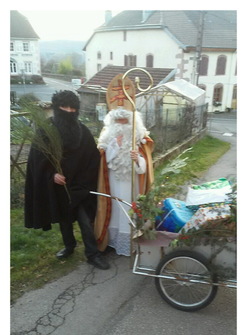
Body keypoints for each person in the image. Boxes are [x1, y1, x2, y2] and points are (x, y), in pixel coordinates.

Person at [24, 90, 110, 270]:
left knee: (85, 221)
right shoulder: (46, 131)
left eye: (73, 107)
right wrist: (51, 175)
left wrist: (85, 181)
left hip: (80, 186)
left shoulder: (83, 131)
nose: (70, 111)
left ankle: (92, 254)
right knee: (64, 219)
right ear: (57, 107)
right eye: (65, 107)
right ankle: (69, 246)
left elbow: (93, 159)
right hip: (58, 185)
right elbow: (37, 160)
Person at [95, 107, 154, 256]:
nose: (121, 125)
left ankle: (130, 243)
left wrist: (137, 159)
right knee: (114, 210)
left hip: (132, 184)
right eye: (117, 121)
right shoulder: (107, 137)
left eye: (125, 121)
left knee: (129, 210)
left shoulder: (140, 138)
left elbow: (144, 168)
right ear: (112, 122)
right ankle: (112, 242)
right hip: (113, 182)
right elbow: (103, 160)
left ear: (132, 122)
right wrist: (114, 145)